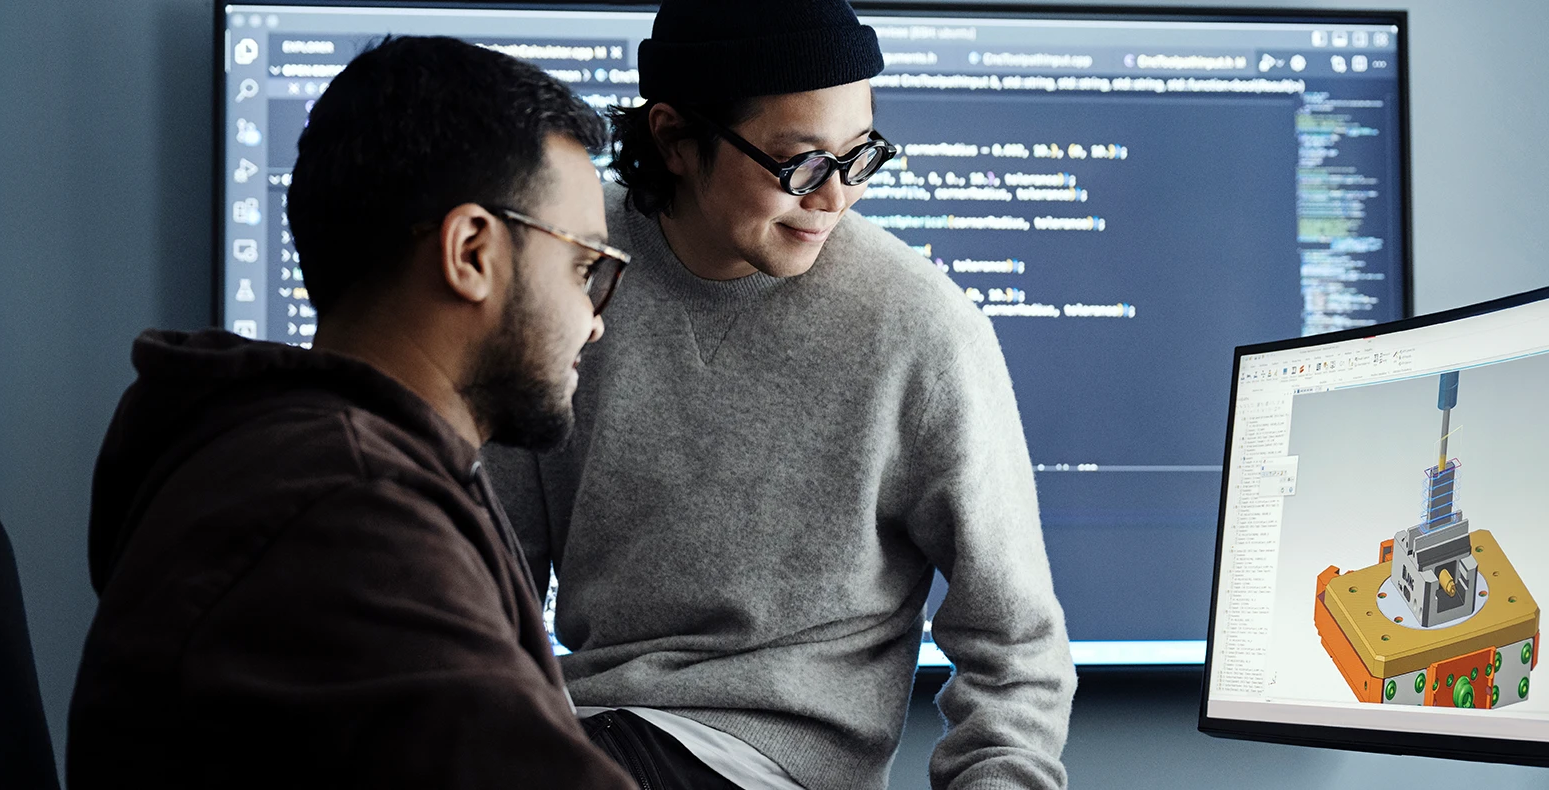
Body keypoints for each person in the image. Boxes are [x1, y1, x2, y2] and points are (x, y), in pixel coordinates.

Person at [484, 1, 1077, 787]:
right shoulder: (570, 270)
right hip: (583, 730)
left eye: (860, 157)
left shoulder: (920, 327)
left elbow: (1018, 649)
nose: (836, 198)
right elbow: (487, 585)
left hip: (767, 762)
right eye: (801, 165)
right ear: (674, 138)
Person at [67, 36, 635, 789]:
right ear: (471, 251)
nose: (594, 322)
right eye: (584, 267)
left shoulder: (316, 466)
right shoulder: (346, 509)